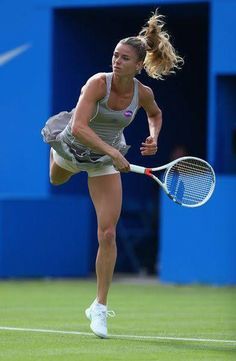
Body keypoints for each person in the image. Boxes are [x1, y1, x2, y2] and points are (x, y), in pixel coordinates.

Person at [42, 9, 183, 338]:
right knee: (56, 179)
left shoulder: (142, 93)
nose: (117, 61)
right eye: (115, 56)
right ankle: (56, 155)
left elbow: (156, 115)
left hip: (105, 159)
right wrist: (113, 152)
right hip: (73, 146)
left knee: (107, 233)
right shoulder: (97, 83)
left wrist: (154, 137)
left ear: (138, 65)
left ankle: (100, 307)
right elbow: (78, 125)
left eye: (124, 58)